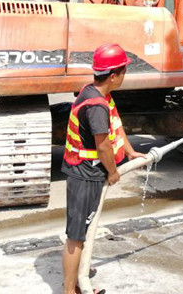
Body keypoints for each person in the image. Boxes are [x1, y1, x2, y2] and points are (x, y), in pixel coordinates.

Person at [61, 43, 146, 294]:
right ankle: (69, 291)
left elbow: (116, 126)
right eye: (123, 71)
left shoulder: (96, 93)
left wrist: (130, 152)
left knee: (82, 229)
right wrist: (113, 172)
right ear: (113, 76)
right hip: (85, 173)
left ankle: (78, 276)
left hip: (85, 170)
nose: (124, 75)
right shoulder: (96, 106)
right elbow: (104, 147)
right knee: (76, 235)